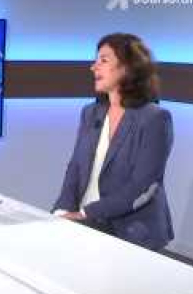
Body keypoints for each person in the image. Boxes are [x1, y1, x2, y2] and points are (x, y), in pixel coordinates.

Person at [52, 33, 174, 251]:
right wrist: (62, 210)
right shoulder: (90, 113)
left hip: (132, 231)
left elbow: (141, 186)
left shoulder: (155, 119)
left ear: (128, 68)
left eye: (104, 60)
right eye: (95, 60)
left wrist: (85, 213)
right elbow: (76, 167)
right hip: (86, 224)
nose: (93, 67)